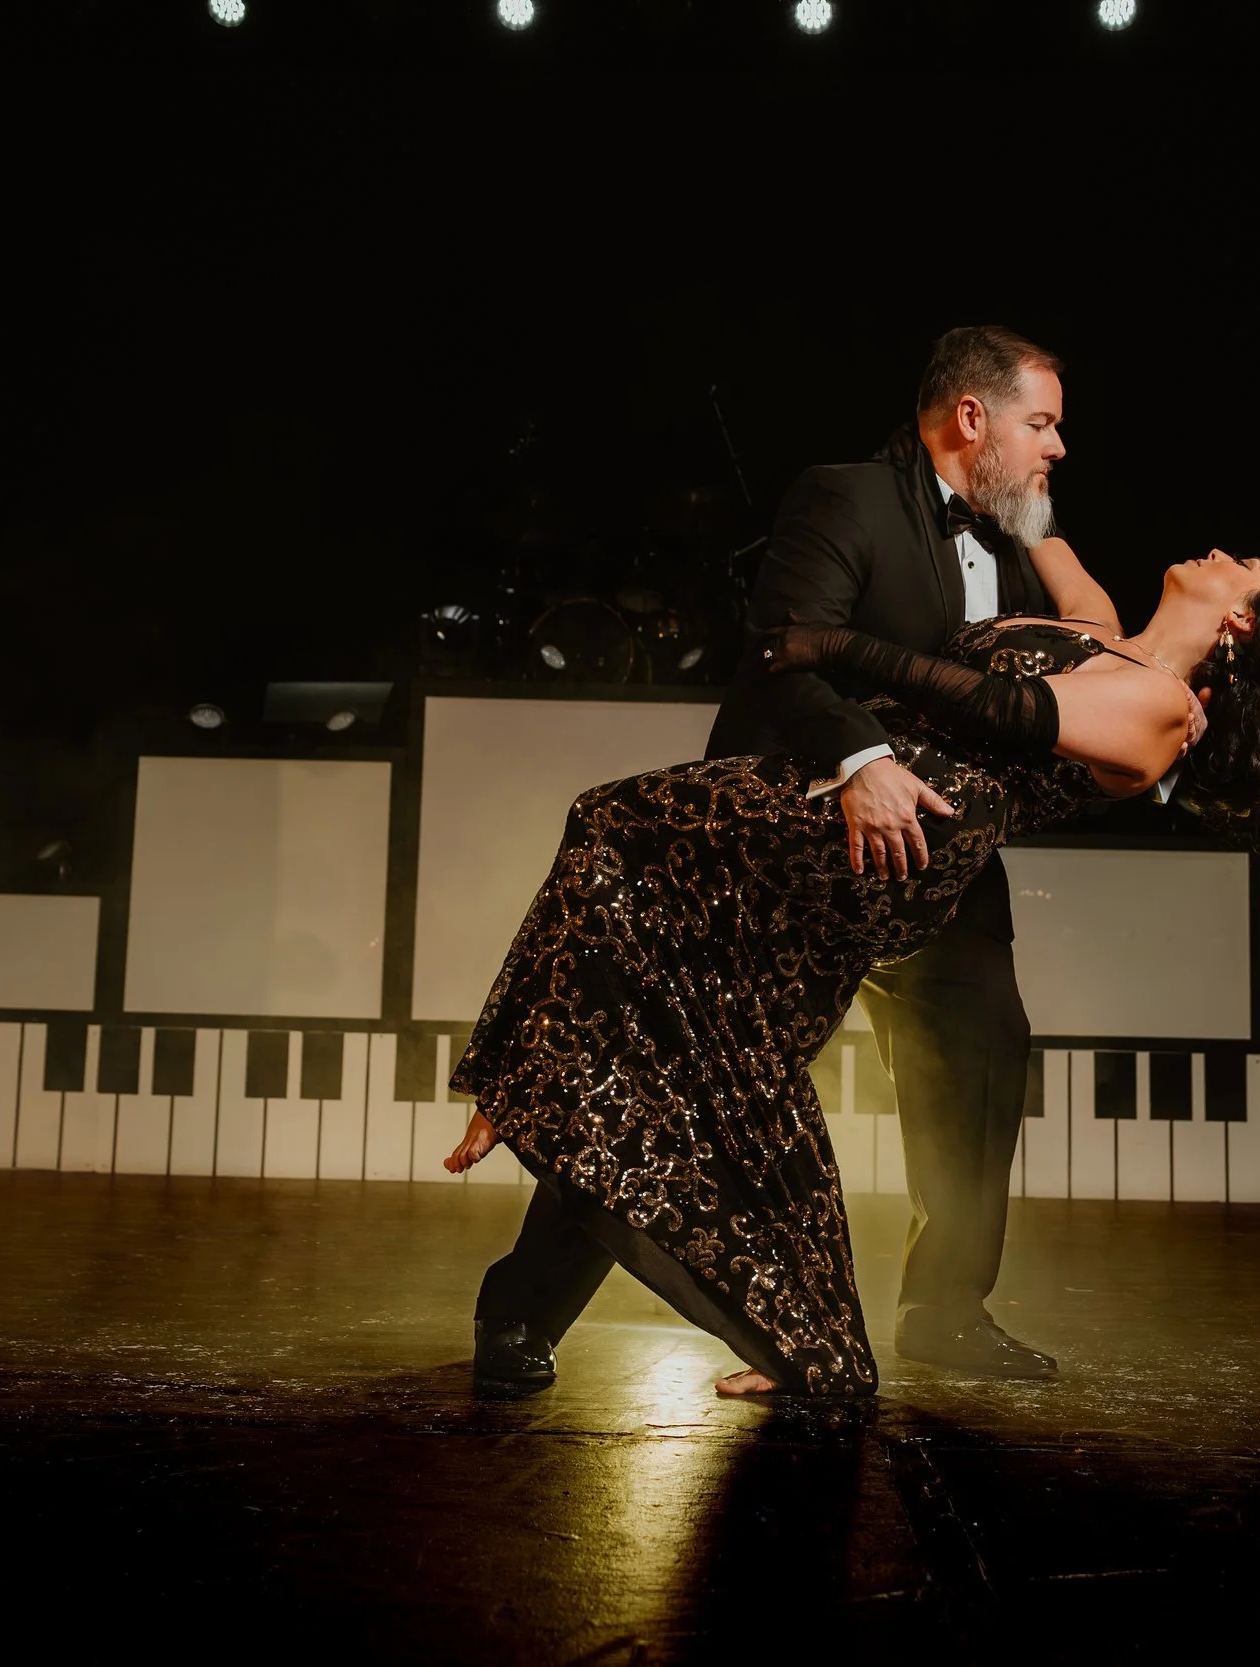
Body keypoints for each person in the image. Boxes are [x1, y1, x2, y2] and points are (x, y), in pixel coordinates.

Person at [445, 549, 1260, 1396]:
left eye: (1241, 567)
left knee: (611, 823)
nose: (1216, 553)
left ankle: (511, 1079)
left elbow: (993, 709)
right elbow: (1039, 528)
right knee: (728, 1059)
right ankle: (807, 1339)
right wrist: (1024, 463)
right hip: (850, 809)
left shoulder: (1160, 711)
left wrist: (836, 647)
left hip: (899, 835)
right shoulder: (1104, 632)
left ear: (1241, 620)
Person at [465, 325, 1121, 1390]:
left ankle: (945, 1309)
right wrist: (858, 756)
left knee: (985, 1040)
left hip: (934, 863)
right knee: (690, 1080)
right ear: (971, 417)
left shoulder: (1016, 535)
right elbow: (780, 653)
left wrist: (1038, 523)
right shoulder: (847, 496)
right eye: (1040, 424)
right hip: (796, 851)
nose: (1056, 447)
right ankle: (521, 1308)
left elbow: (1092, 654)